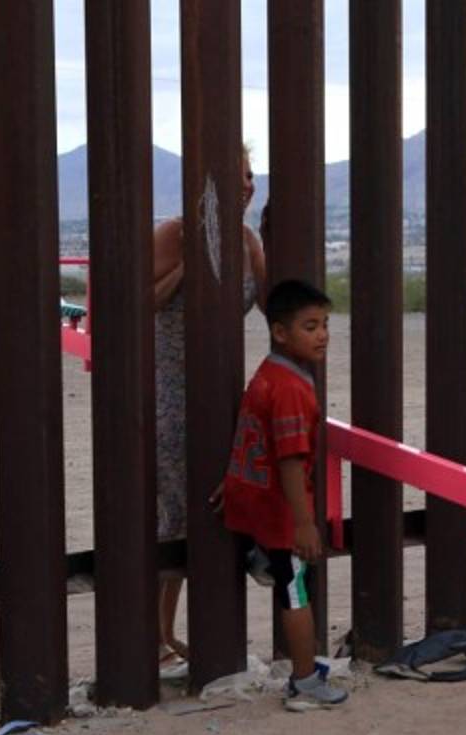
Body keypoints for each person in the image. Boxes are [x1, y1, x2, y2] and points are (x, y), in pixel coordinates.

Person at [151, 146, 267, 666]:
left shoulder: (247, 242)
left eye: (250, 175)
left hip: (221, 389)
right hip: (170, 389)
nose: (247, 184)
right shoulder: (172, 233)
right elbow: (142, 300)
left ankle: (193, 633)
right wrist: (192, 260)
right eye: (236, 175)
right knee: (172, 509)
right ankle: (156, 636)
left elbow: (272, 306)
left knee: (209, 507)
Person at [216, 278, 347, 711]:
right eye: (310, 326)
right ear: (280, 332)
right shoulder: (293, 388)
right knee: (296, 591)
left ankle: (263, 558)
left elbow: (250, 435)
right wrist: (305, 524)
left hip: (249, 496)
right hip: (279, 511)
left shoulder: (267, 374)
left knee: (285, 576)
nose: (323, 334)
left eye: (325, 324)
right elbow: (291, 460)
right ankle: (305, 682)